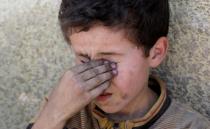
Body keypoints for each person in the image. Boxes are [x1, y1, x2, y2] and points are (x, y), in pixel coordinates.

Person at [27, 0, 210, 129]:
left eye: (109, 61)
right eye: (83, 59)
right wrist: (53, 115)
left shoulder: (188, 125)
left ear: (156, 52)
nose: (98, 79)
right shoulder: (66, 111)